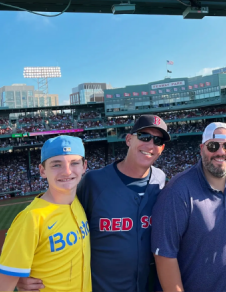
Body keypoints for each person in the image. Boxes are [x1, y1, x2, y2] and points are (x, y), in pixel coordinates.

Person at [16, 115, 170, 291]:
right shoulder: (93, 182)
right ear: (128, 139)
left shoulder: (160, 179)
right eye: (144, 136)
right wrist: (22, 273)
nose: (150, 144)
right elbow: (54, 219)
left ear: (162, 148)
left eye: (157, 141)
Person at [151, 122, 226, 292]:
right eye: (213, 146)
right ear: (202, 148)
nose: (220, 152)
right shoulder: (177, 191)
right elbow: (164, 257)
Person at [0, 136, 91, 292]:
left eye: (74, 163)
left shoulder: (78, 203)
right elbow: (1, 288)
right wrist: (18, 278)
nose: (67, 171)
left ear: (84, 166)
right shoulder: (30, 218)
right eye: (56, 164)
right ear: (42, 171)